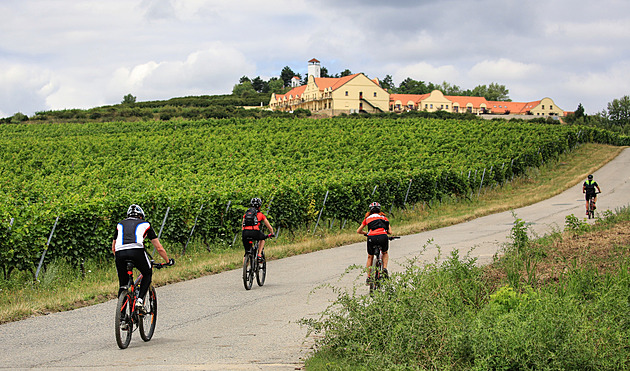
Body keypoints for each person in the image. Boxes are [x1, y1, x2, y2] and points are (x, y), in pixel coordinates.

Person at [112, 204, 173, 313]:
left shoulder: (120, 224)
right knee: (147, 273)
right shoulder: (146, 224)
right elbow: (159, 247)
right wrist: (167, 261)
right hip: (136, 251)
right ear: (141, 216)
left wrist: (120, 259)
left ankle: (121, 317)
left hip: (119, 253)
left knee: (123, 284)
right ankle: (139, 301)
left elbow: (113, 247)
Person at [356, 202, 393, 284]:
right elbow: (390, 232)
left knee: (370, 256)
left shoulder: (367, 218)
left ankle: (369, 277)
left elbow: (358, 231)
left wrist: (367, 233)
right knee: (385, 252)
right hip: (383, 237)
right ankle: (384, 268)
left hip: (371, 237)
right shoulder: (384, 218)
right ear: (379, 209)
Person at [242, 197, 274, 263]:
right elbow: (270, 227)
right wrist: (272, 233)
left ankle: (245, 269)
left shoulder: (246, 214)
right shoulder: (261, 215)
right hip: (255, 232)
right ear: (259, 206)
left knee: (246, 252)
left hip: (245, 233)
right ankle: (259, 254)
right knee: (262, 238)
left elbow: (243, 225)